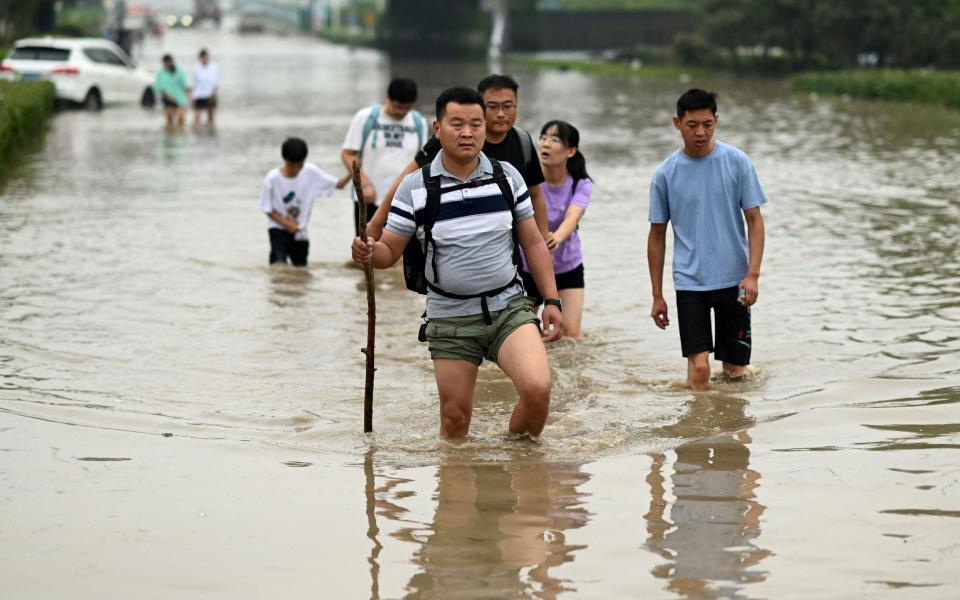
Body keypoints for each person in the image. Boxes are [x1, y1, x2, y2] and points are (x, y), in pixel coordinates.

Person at [351, 86, 564, 438]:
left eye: (475, 124)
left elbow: (533, 243)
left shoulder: (507, 177)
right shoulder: (415, 188)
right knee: (454, 420)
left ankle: (515, 465)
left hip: (509, 307)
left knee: (538, 390)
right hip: (450, 318)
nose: (467, 133)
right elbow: (389, 251)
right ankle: (457, 480)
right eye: (457, 124)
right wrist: (369, 253)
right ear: (437, 129)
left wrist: (552, 300)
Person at [647, 89, 767, 389]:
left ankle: (727, 431)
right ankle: (697, 432)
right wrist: (657, 294)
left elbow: (754, 220)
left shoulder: (737, 161)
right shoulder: (665, 174)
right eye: (692, 125)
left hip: (735, 281)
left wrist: (752, 275)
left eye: (707, 124)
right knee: (699, 370)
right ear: (677, 123)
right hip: (690, 282)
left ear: (716, 121)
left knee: (735, 373)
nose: (700, 132)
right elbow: (657, 235)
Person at [365, 74, 548, 241]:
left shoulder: (522, 141)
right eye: (492, 106)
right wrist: (376, 223)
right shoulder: (449, 139)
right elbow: (408, 177)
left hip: (504, 244)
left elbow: (536, 194)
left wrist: (542, 238)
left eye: (507, 106)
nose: (501, 114)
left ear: (517, 105)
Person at [520, 120, 592, 338]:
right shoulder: (528, 180)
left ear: (571, 151)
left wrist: (557, 237)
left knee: (570, 334)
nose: (545, 144)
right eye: (543, 138)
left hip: (567, 267)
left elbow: (574, 215)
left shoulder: (580, 183)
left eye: (554, 139)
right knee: (525, 333)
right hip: (528, 267)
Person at [338, 77, 428, 233]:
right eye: (398, 106)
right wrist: (364, 184)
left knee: (402, 253)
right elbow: (348, 154)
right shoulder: (365, 118)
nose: (401, 112)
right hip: (369, 199)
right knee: (367, 248)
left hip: (404, 201)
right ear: (388, 97)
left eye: (407, 108)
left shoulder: (418, 122)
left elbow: (422, 161)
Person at [259, 137, 337, 267]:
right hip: (278, 228)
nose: (295, 169)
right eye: (292, 165)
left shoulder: (311, 172)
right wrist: (287, 224)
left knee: (301, 268)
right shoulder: (272, 178)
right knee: (279, 264)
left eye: (299, 165)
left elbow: (337, 184)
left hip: (300, 232)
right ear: (285, 160)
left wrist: (354, 171)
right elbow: (266, 208)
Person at [154, 54, 189, 130]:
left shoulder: (180, 72)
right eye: (165, 63)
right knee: (169, 118)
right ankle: (169, 135)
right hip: (167, 98)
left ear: (171, 62)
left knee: (181, 118)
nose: (166, 65)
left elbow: (185, 86)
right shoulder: (160, 73)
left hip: (179, 98)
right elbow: (158, 88)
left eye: (168, 62)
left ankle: (180, 134)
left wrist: (188, 97)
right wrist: (166, 96)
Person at [191, 48, 220, 128]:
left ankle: (210, 129)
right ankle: (196, 130)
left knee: (211, 115)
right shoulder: (196, 68)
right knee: (197, 115)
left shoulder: (215, 67)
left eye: (206, 57)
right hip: (199, 94)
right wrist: (192, 96)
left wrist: (214, 94)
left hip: (210, 93)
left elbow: (216, 82)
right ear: (200, 58)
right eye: (203, 57)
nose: (205, 59)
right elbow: (194, 83)